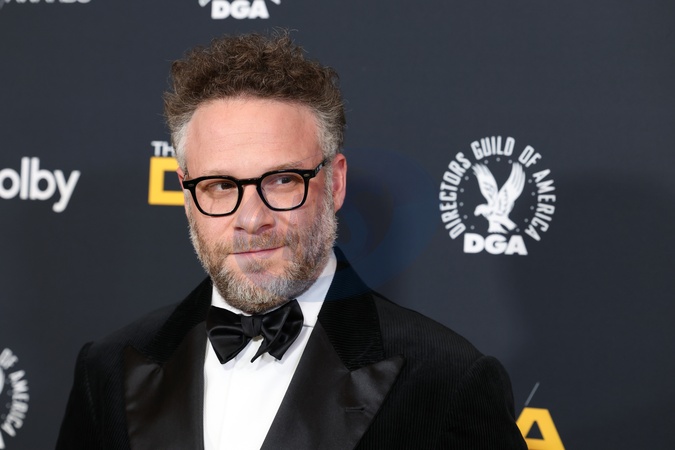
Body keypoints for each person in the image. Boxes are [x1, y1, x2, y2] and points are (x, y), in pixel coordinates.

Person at [57, 31, 527, 450]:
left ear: (335, 183)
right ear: (186, 194)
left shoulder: (447, 383)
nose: (251, 219)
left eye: (282, 180)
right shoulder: (108, 371)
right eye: (220, 185)